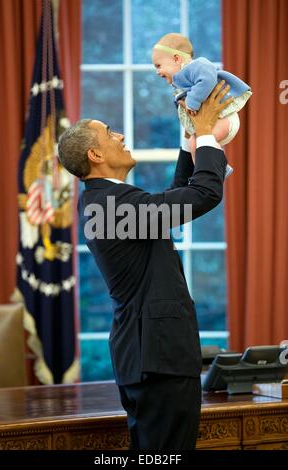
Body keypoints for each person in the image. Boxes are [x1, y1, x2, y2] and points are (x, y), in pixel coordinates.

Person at [58, 81, 232, 450]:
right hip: (158, 358)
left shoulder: (107, 201)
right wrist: (206, 136)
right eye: (109, 133)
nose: (120, 135)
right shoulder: (112, 204)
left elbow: (172, 201)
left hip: (149, 356)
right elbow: (202, 195)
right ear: (95, 154)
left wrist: (189, 141)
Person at [152, 32, 252, 176]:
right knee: (194, 143)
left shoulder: (197, 65)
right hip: (213, 121)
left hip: (225, 118)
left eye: (158, 65)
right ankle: (213, 170)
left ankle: (212, 172)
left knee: (198, 144)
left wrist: (192, 102)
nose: (157, 72)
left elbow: (208, 79)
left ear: (176, 58)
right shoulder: (182, 81)